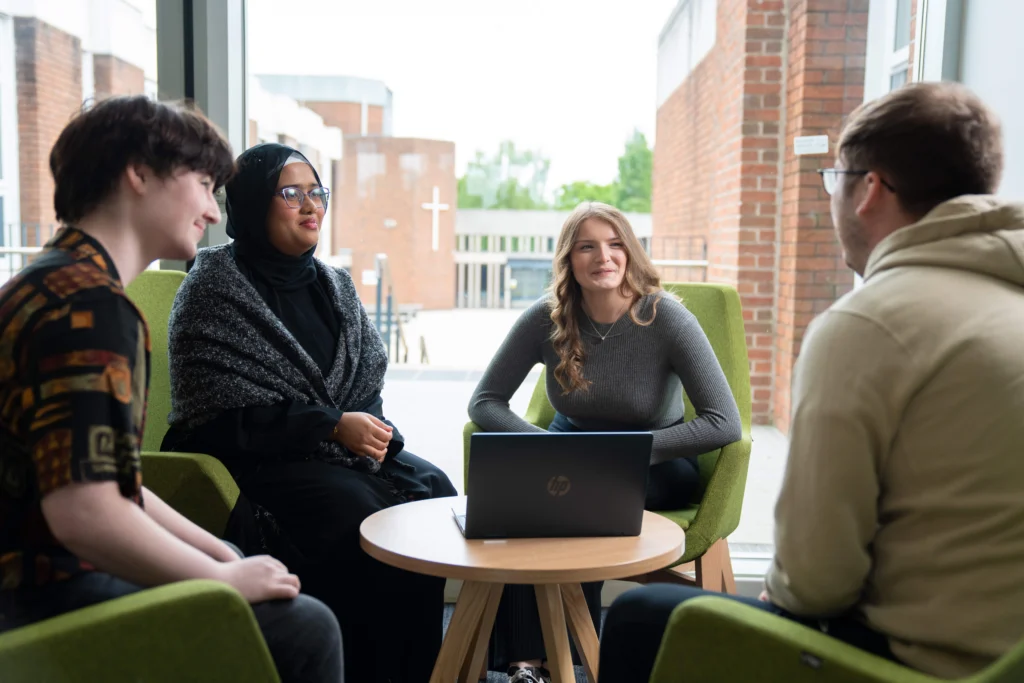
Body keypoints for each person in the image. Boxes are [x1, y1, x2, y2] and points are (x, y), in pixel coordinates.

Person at [600, 81, 1024, 682]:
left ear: (869, 188)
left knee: (642, 615)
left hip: (925, 666)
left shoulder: (869, 326)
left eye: (834, 179)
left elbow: (814, 582)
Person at [0, 96, 343, 683]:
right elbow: (86, 514)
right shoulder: (89, 306)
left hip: (32, 576)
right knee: (305, 628)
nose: (213, 210)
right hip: (34, 594)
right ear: (139, 174)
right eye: (205, 184)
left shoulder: (45, 282)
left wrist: (219, 553)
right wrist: (222, 580)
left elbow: (114, 480)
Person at [161, 142, 457, 683]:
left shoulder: (336, 286)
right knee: (357, 514)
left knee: (433, 490)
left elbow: (364, 379)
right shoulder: (212, 288)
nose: (310, 205)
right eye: (290, 193)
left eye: (316, 192)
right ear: (250, 205)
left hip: (340, 452)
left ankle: (420, 668)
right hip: (260, 461)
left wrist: (360, 429)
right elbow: (214, 417)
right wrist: (329, 426)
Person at [468, 201, 742, 682]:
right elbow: (486, 402)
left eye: (616, 244)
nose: (604, 257)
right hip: (565, 453)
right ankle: (526, 666)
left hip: (650, 464)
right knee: (521, 507)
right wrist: (544, 448)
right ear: (568, 260)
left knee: (577, 506)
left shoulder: (667, 318)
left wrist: (627, 453)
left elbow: (724, 423)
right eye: (587, 247)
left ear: (632, 252)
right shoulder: (545, 318)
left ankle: (572, 662)